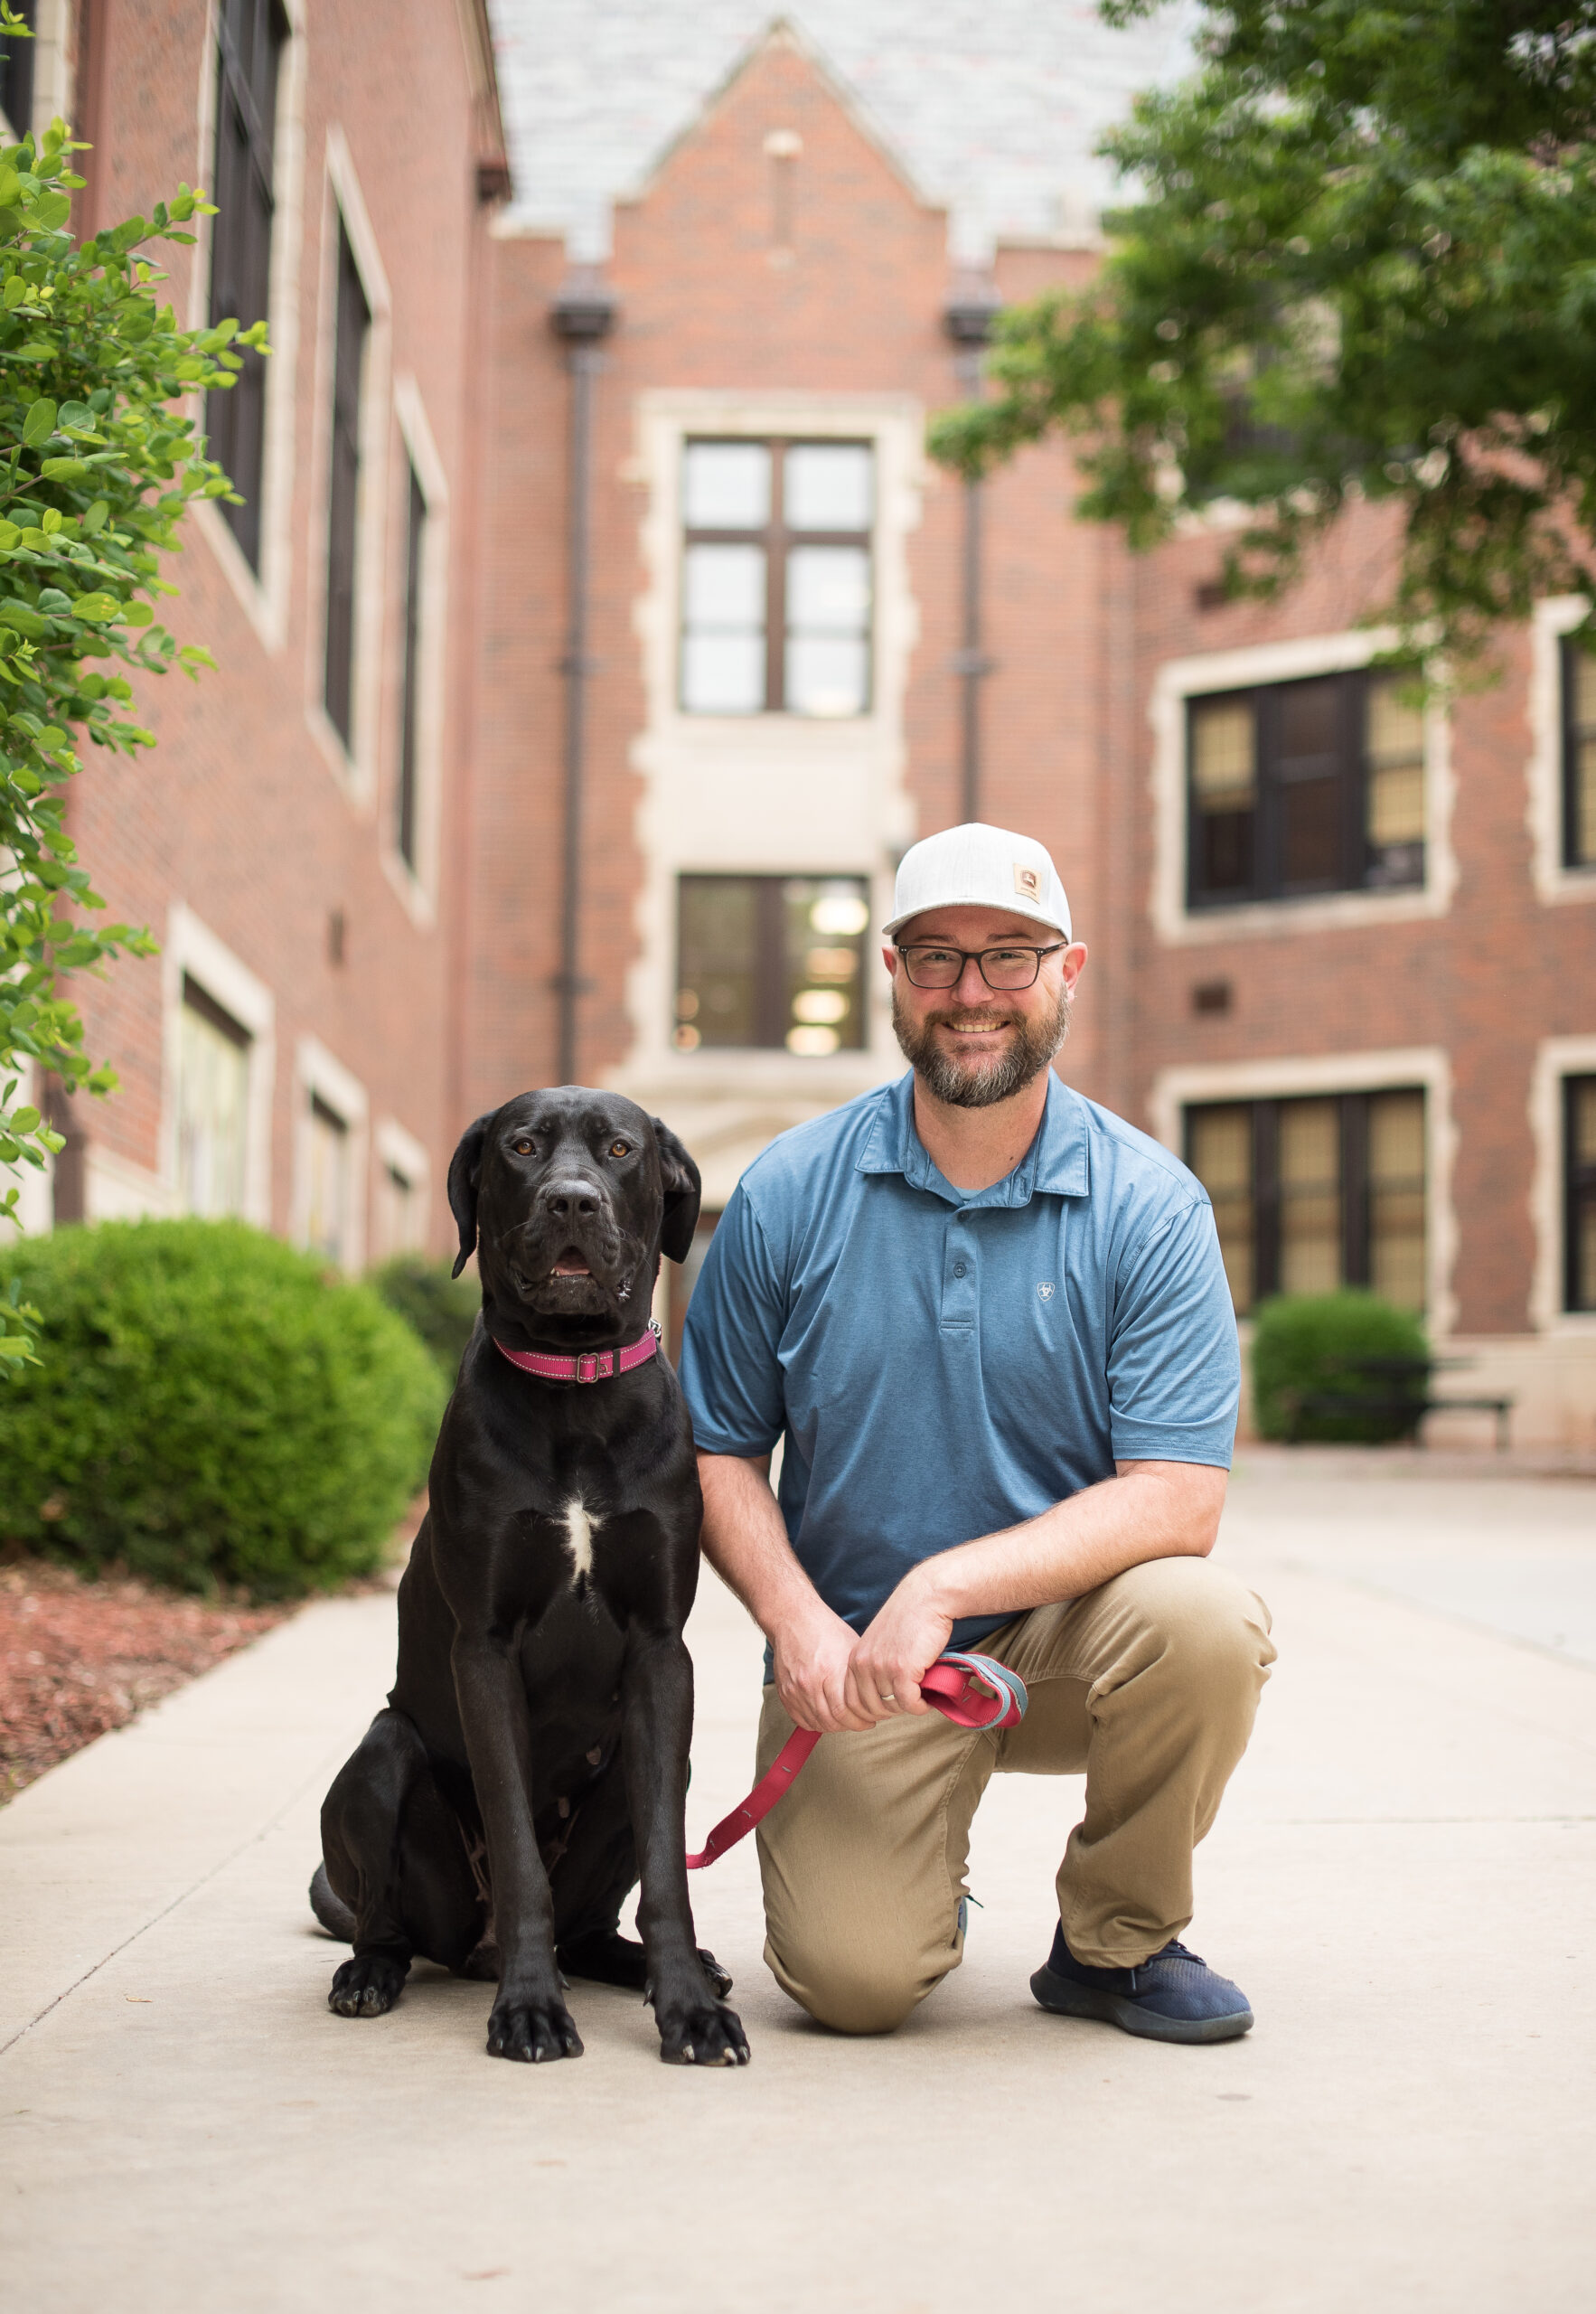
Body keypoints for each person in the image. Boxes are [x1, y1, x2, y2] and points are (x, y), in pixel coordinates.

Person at [680, 823, 1275, 2046]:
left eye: (1010, 955)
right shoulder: (786, 1193)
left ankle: (1115, 1941)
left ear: (1067, 973)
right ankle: (908, 1870)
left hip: (1067, 1642)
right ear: (892, 975)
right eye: (937, 958)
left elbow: (1178, 1495)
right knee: (852, 1988)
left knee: (1204, 1625)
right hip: (858, 1658)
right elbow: (715, 1448)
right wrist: (797, 1625)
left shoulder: (1148, 1205)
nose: (972, 993)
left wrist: (943, 1585)